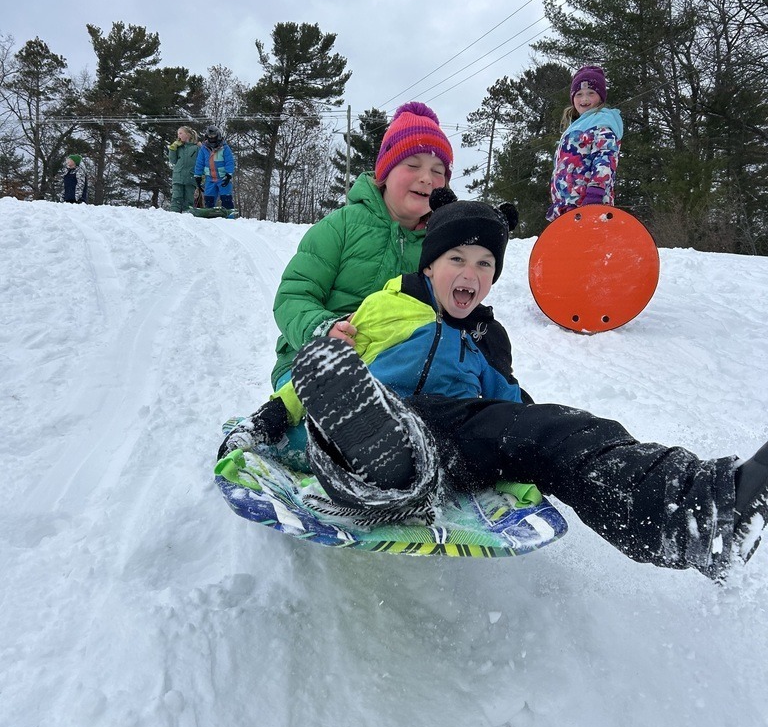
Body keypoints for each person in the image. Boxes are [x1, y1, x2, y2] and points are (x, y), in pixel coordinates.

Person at [223, 195, 768, 582]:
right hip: (366, 411)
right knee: (336, 368)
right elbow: (319, 377)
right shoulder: (382, 306)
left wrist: (540, 434)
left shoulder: (487, 337)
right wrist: (270, 417)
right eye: (457, 259)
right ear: (430, 264)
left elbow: (508, 404)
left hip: (453, 433)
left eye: (485, 264)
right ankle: (370, 458)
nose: (471, 272)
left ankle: (697, 514)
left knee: (560, 429)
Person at [270, 101, 455, 393]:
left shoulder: (441, 246)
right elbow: (293, 295)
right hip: (315, 360)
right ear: (386, 171)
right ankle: (270, 429)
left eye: (438, 170)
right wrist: (323, 330)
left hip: (393, 372)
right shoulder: (340, 226)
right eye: (413, 165)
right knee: (322, 411)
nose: (427, 178)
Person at [547, 64, 623, 222]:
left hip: (590, 203)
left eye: (591, 93)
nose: (585, 99)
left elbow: (605, 158)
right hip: (567, 206)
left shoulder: (603, 124)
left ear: (600, 96)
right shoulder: (574, 127)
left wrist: (596, 192)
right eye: (579, 94)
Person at [194, 126, 235, 211]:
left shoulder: (225, 148)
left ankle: (229, 217)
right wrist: (198, 175)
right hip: (210, 178)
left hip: (223, 178)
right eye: (210, 136)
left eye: (213, 136)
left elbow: (229, 161)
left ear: (218, 135)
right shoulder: (203, 149)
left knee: (226, 198)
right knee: (209, 199)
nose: (211, 138)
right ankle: (209, 217)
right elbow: (199, 163)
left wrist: (229, 174)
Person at [168, 126, 200, 213]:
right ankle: (173, 215)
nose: (179, 135)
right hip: (178, 177)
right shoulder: (178, 147)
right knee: (176, 198)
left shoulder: (196, 148)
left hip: (191, 177)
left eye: (181, 133)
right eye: (178, 134)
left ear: (188, 135)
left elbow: (203, 161)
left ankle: (187, 218)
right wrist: (172, 148)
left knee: (189, 200)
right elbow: (172, 160)